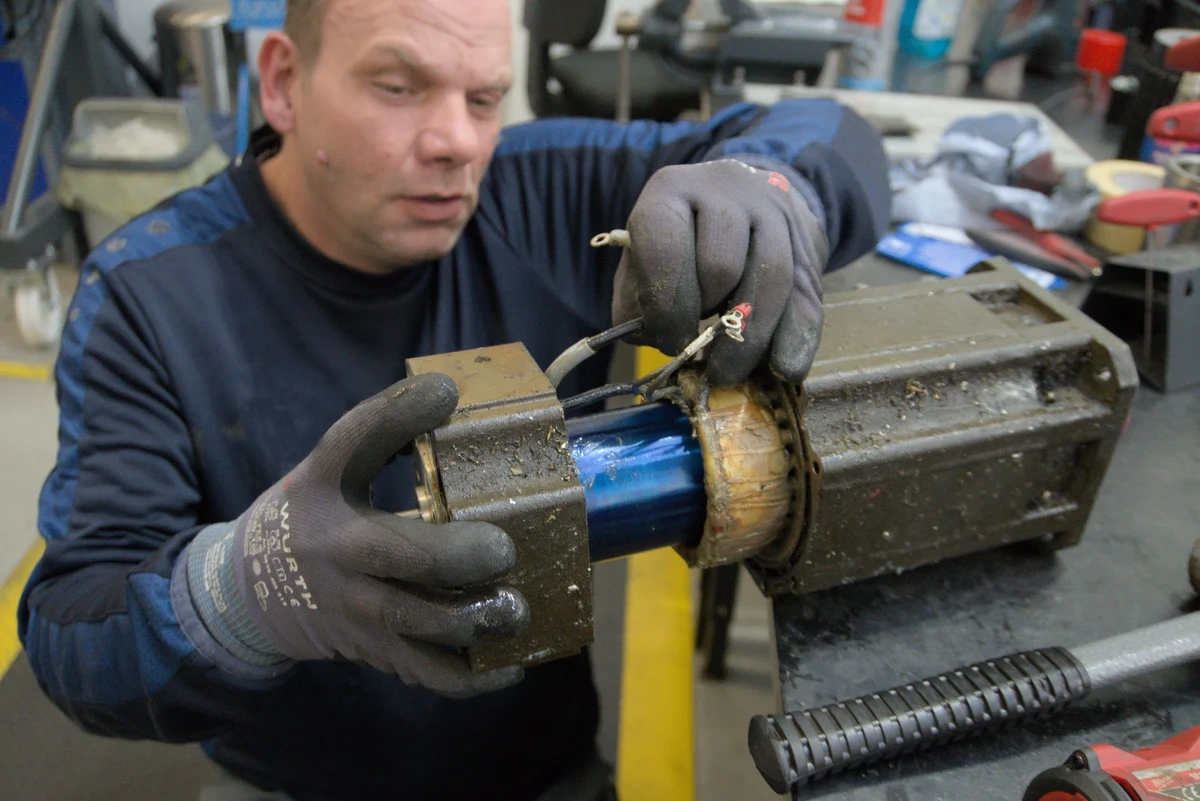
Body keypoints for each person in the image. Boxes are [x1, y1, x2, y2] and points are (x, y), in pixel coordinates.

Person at [17, 0, 888, 798]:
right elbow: (72, 633)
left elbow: (838, 133)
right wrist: (252, 589)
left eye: (484, 98)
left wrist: (772, 185)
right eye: (398, 86)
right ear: (282, 81)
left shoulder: (535, 190)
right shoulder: (151, 294)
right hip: (295, 782)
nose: (457, 143)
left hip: (539, 769)